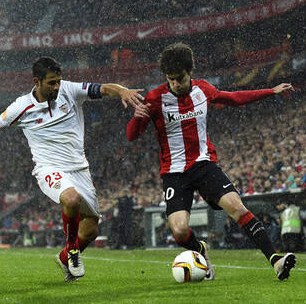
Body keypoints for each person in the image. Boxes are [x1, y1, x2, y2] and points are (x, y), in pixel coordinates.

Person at [0, 56, 143, 281]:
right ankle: (73, 251)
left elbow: (102, 88)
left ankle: (65, 257)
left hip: (79, 168)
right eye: (51, 82)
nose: (57, 87)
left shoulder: (69, 90)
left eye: (58, 81)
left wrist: (122, 91)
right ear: (37, 81)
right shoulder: (21, 106)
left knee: (92, 230)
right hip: (48, 168)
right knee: (71, 199)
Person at [126, 42, 296, 281]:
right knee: (179, 230)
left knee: (236, 207)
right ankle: (201, 251)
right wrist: (136, 119)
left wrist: (271, 91)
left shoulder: (203, 89)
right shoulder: (155, 99)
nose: (175, 84)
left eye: (180, 78)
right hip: (174, 172)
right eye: (170, 79)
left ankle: (275, 260)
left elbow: (234, 98)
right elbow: (132, 136)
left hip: (204, 165)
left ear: (190, 73)